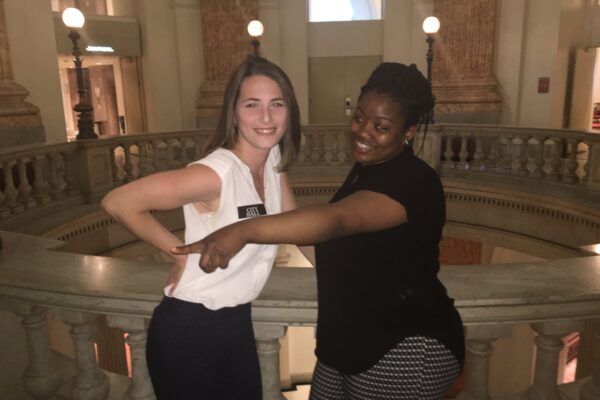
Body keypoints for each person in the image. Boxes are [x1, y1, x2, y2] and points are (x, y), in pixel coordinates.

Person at [172, 62, 465, 400]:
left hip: (405, 345)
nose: (363, 132)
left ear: (409, 131)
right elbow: (326, 243)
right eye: (359, 118)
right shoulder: (367, 169)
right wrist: (273, 167)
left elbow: (335, 221)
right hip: (344, 345)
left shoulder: (415, 180)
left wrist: (241, 232)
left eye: (381, 126)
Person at [101, 55, 301, 400]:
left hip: (236, 324)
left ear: (289, 112)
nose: (266, 117)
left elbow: (299, 229)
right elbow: (118, 201)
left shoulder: (274, 165)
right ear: (234, 113)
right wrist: (175, 253)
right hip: (189, 329)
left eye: (277, 104)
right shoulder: (215, 173)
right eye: (252, 105)